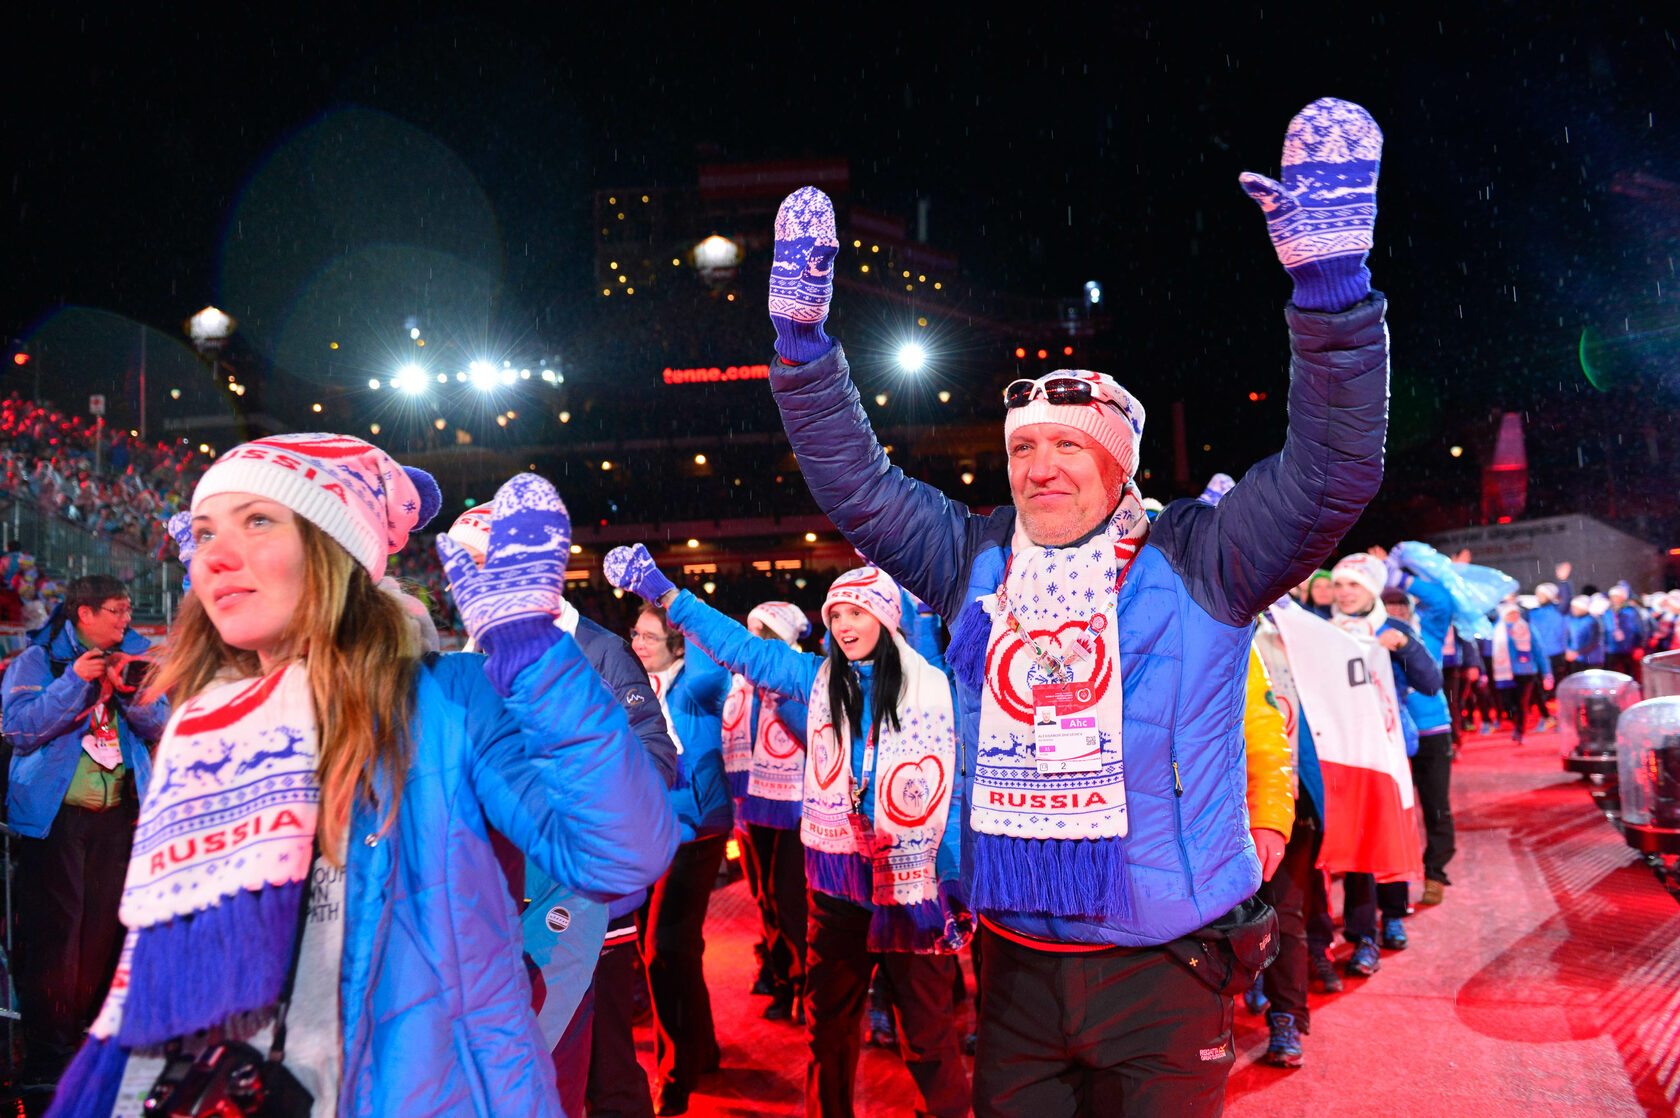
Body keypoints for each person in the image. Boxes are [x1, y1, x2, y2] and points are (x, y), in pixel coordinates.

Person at [761, 95, 1388, 1116]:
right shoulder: (972, 557)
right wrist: (801, 355)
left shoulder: (1203, 556)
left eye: (1067, 445)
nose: (1040, 466)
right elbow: (860, 488)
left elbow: (1332, 474)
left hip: (1165, 966)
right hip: (1013, 967)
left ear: (1117, 462)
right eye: (1021, 449)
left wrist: (1330, 292)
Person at [45, 436, 677, 1118]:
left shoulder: (450, 700)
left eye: (258, 521)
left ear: (335, 551)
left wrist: (534, 658)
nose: (218, 554)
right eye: (205, 532)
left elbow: (621, 854)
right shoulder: (203, 733)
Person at [607, 551, 971, 1118]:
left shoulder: (933, 685)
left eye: (858, 612)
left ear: (887, 618)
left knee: (928, 1042)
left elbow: (955, 786)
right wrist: (667, 594)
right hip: (838, 891)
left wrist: (951, 877)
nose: (845, 625)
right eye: (836, 615)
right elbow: (739, 648)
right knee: (827, 1035)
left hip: (910, 892)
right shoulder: (816, 679)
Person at [443, 506, 682, 1118]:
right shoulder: (470, 660)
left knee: (607, 1075)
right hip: (499, 907)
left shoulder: (598, 651)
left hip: (587, 902)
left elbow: (654, 758)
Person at [6, 575, 169, 1102]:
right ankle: (46, 1062)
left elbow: (159, 725)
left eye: (127, 610)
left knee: (103, 937)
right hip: (57, 821)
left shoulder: (134, 660)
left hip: (119, 816)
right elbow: (19, 729)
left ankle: (88, 1045)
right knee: (56, 940)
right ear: (84, 613)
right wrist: (74, 681)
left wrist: (132, 694)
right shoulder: (39, 661)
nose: (126, 620)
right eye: (117, 611)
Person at [628, 599, 733, 1116]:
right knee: (676, 950)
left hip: (695, 830)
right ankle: (702, 1050)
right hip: (652, 829)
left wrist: (676, 606)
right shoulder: (637, 689)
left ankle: (674, 1076)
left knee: (663, 949)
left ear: (677, 645)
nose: (638, 644)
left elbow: (713, 664)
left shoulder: (695, 687)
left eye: (649, 636)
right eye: (636, 633)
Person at [1320, 556, 1440, 968]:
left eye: (1354, 585)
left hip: (1388, 750)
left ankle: (1394, 915)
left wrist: (1404, 647)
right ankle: (1362, 935)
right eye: (1340, 586)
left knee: (1390, 833)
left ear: (1371, 590)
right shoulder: (1326, 632)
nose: (1345, 593)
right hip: (1347, 753)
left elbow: (1430, 683)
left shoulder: (1393, 630)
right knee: (1360, 842)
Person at [725, 600, 812, 1024]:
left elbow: (814, 735)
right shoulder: (739, 682)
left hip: (796, 803)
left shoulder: (800, 675)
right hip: (751, 803)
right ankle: (782, 980)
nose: (754, 641)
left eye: (764, 633)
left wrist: (779, 697)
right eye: (752, 631)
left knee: (790, 899)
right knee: (765, 898)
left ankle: (805, 985)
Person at [1385, 549, 1458, 905]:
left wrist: (1402, 578)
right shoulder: (1372, 634)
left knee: (1436, 805)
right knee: (1396, 807)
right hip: (1391, 733)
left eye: (1402, 602)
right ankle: (1395, 872)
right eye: (1388, 603)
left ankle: (1436, 873)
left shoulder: (1428, 628)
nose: (1396, 609)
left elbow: (1442, 599)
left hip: (1433, 730)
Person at [1492, 599, 1551, 744]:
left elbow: (1539, 651)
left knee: (1522, 702)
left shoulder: (1528, 628)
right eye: (1510, 614)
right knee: (1507, 702)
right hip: (1504, 673)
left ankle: (1520, 731)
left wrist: (1546, 673)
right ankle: (1515, 722)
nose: (1513, 616)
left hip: (1526, 672)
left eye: (1515, 613)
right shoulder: (1497, 630)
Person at [1604, 582, 1646, 679]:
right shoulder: (1607, 611)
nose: (1615, 599)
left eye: (1617, 596)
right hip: (1611, 649)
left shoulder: (1630, 611)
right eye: (1613, 596)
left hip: (1628, 648)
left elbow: (1640, 629)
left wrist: (1639, 645)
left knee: (1629, 673)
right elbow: (1603, 630)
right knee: (1613, 674)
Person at [1565, 594, 1606, 673]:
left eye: (1575, 607)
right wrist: (1569, 650)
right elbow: (1569, 638)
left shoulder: (1592, 621)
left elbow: (1593, 641)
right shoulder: (1572, 621)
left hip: (1591, 660)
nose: (1572, 609)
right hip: (1577, 659)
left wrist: (1578, 652)